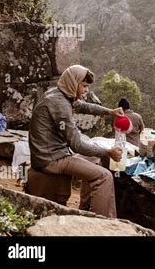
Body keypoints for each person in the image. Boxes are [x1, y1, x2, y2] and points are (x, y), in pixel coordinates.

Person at [29, 65, 124, 218]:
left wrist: (109, 111)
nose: (86, 90)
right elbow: (77, 144)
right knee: (105, 176)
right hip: (51, 158)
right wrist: (108, 152)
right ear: (74, 83)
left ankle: (85, 208)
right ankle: (104, 223)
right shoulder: (59, 104)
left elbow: (83, 106)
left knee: (94, 157)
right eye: (84, 86)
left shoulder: (59, 93)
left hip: (52, 152)